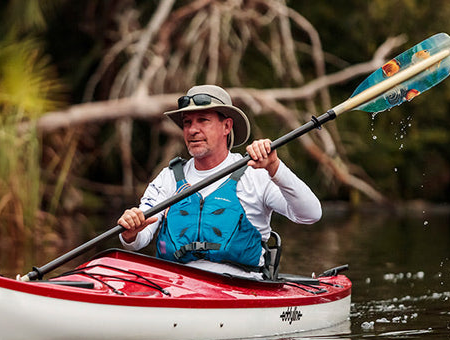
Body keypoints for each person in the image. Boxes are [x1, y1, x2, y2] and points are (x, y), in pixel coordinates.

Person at [117, 85, 322, 278]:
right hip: (175, 287)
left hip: (242, 288)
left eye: (203, 120)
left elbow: (311, 214)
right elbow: (138, 240)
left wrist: (275, 167)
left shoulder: (256, 174)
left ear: (227, 126)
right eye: (187, 122)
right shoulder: (168, 178)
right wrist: (130, 232)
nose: (192, 130)